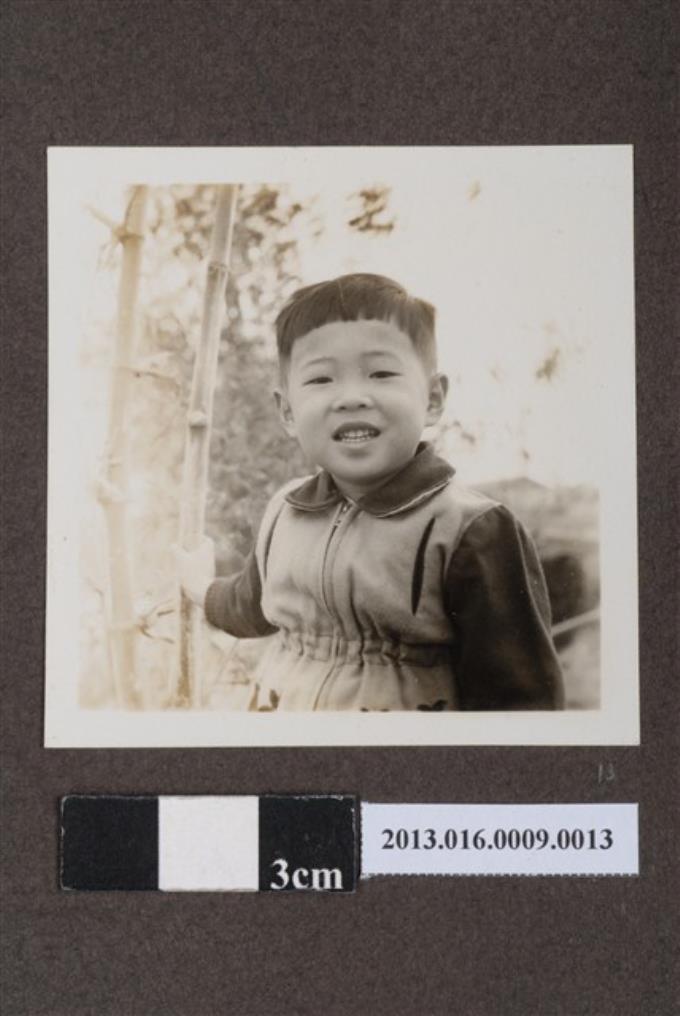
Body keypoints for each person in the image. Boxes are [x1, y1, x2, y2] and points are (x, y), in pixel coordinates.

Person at [178, 273, 564, 711]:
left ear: (433, 399)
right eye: (321, 379)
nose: (351, 397)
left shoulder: (470, 529)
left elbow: (520, 702)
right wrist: (199, 586)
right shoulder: (286, 511)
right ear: (287, 412)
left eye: (380, 373)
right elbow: (250, 606)